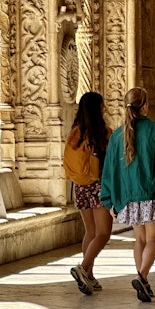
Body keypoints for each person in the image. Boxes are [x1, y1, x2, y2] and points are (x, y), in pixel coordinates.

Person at [100, 86, 155, 302]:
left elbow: (109, 171)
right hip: (151, 192)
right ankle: (142, 276)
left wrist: (109, 200)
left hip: (128, 197)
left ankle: (143, 284)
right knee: (154, 238)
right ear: (145, 106)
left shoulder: (117, 136)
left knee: (140, 239)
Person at [65, 91, 112, 296]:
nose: (105, 108)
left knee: (91, 232)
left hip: (80, 187)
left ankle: (89, 277)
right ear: (97, 108)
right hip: (98, 186)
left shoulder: (75, 133)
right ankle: (83, 268)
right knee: (103, 233)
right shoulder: (103, 133)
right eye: (102, 105)